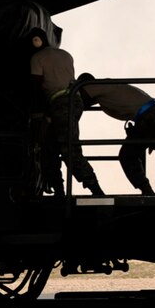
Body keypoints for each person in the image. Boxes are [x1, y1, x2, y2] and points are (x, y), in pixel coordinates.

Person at [30, 31, 103, 196]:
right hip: (74, 101)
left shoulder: (37, 58)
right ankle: (59, 190)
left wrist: (36, 114)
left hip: (60, 103)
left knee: (69, 150)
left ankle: (95, 190)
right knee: (51, 146)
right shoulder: (66, 55)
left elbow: (35, 87)